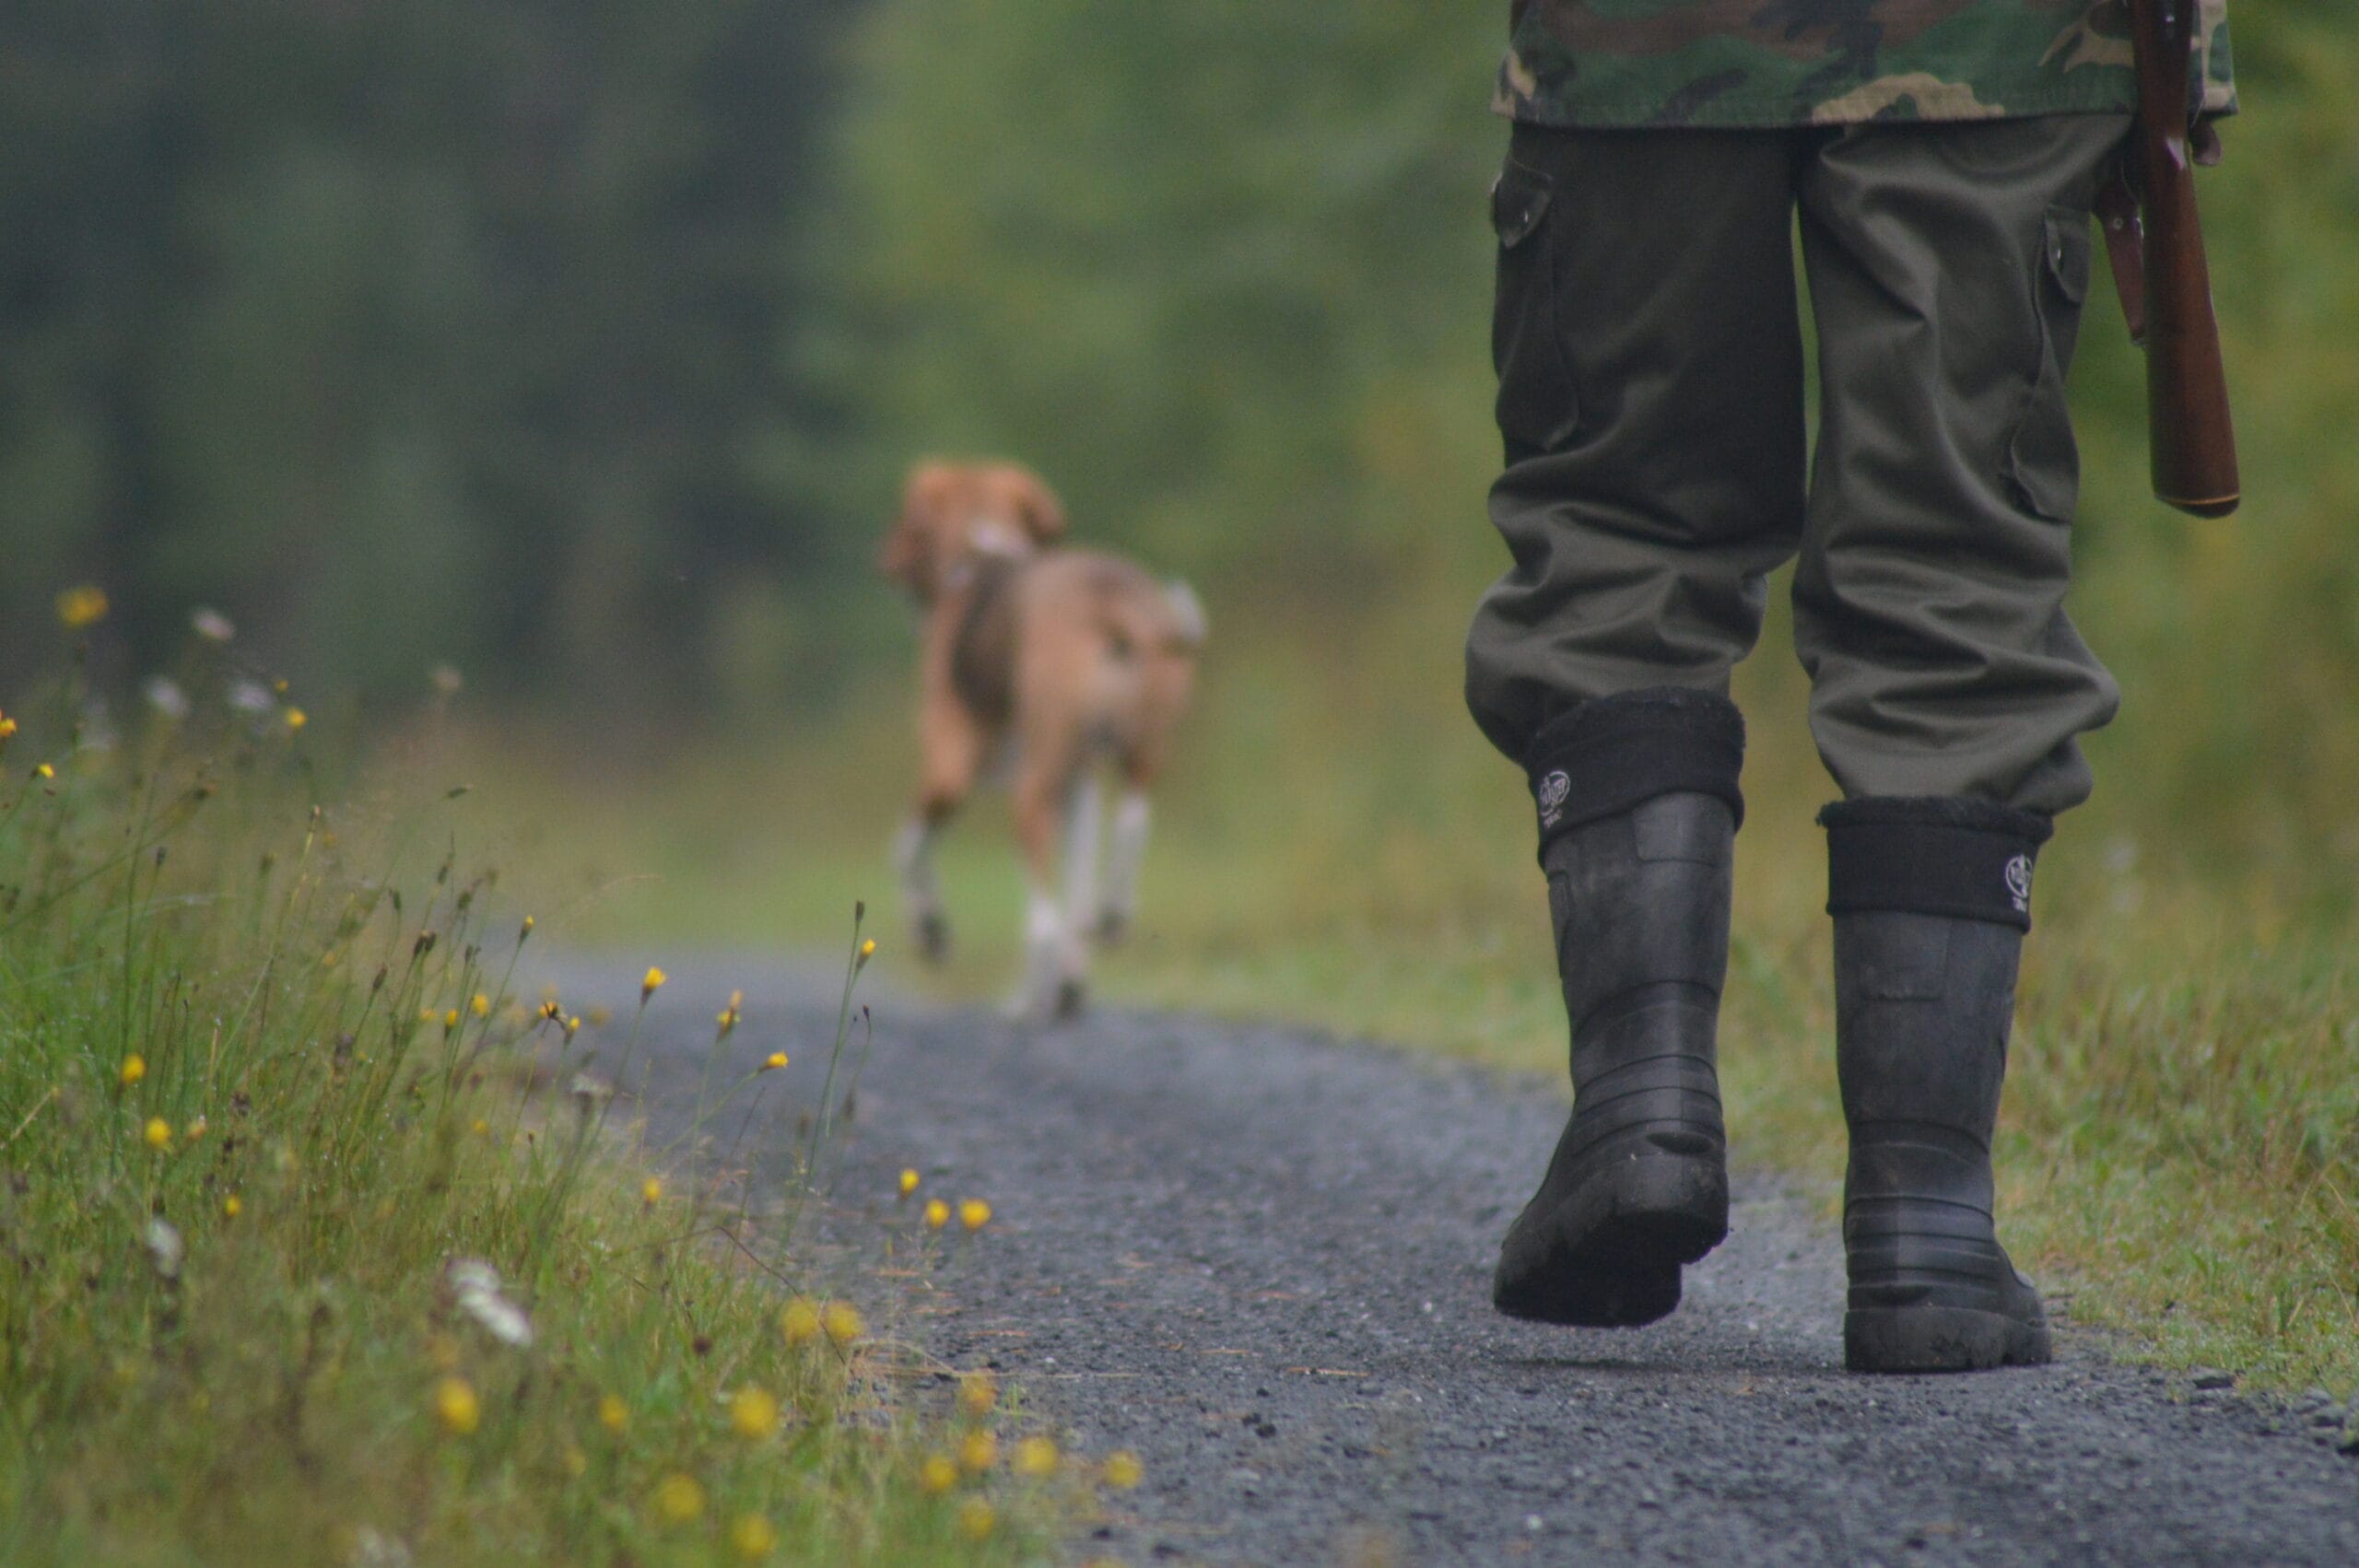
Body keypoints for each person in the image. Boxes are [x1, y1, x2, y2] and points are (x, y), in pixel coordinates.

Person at [1465, 1, 2234, 1373]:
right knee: (1950, 571)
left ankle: (1640, 1111)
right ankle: (1926, 1224)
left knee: (1623, 531)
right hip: (2005, 43)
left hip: (1639, 41)